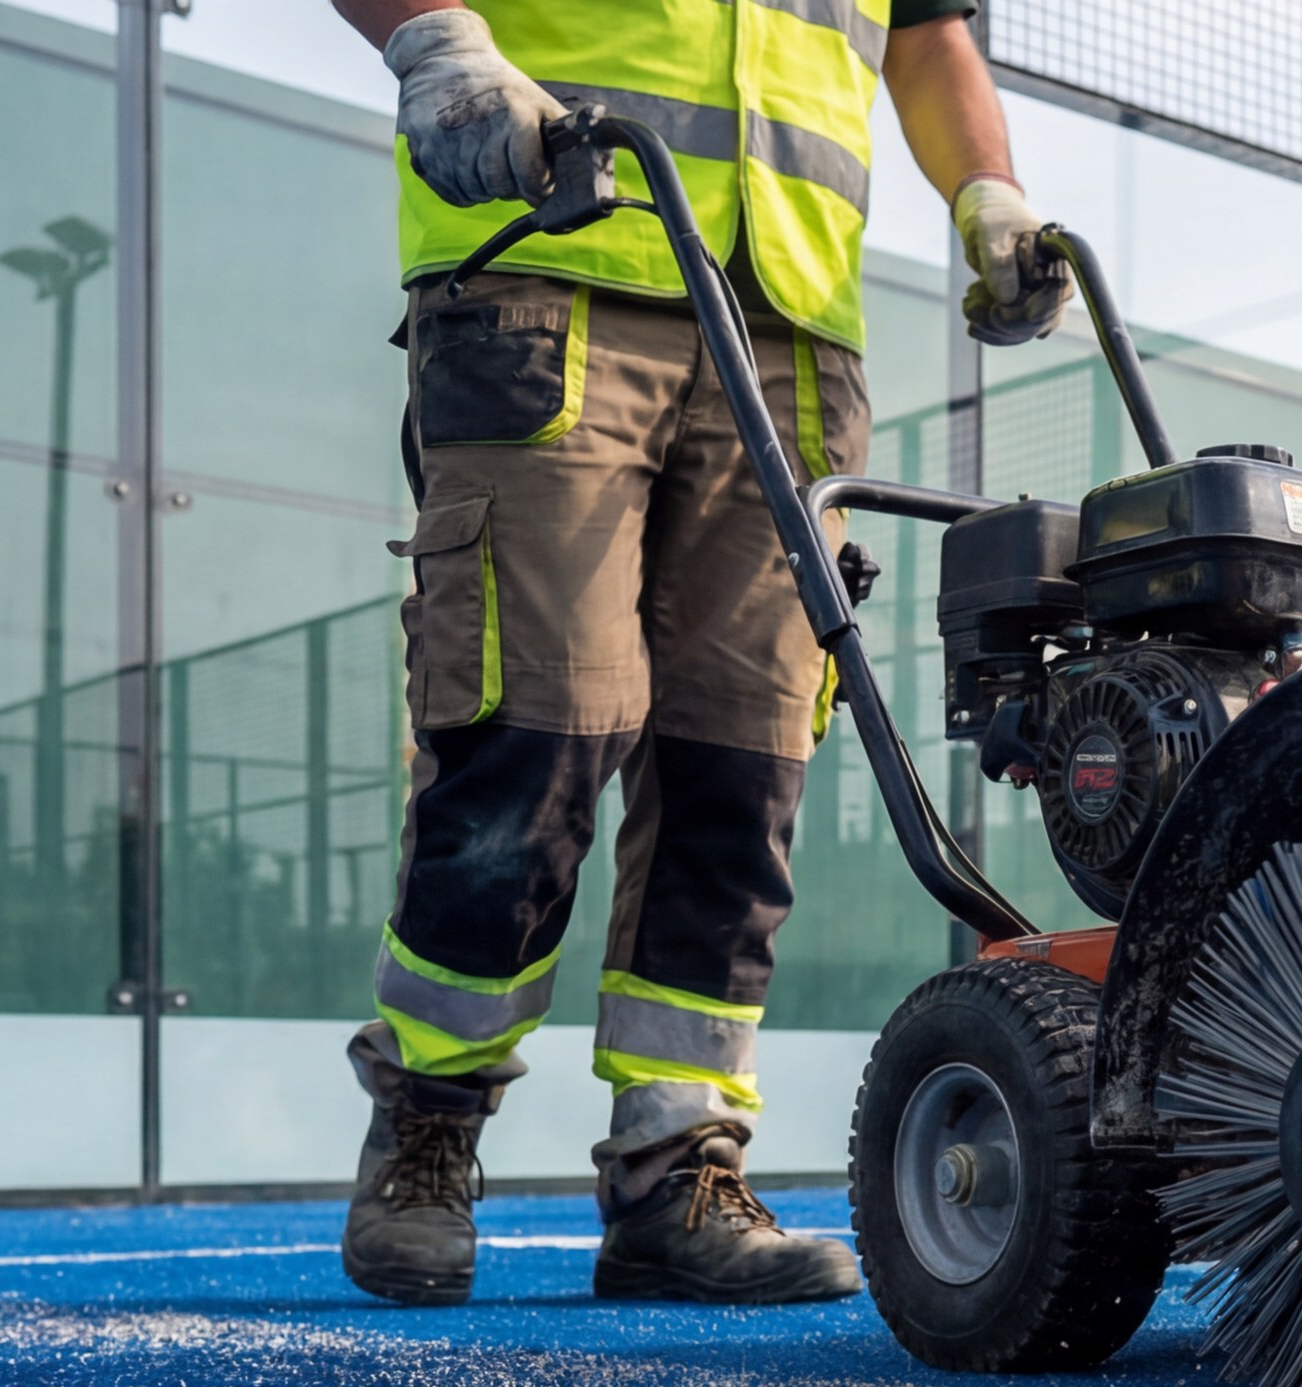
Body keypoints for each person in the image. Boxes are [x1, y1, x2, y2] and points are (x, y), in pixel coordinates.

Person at [327, 0, 1070, 1305]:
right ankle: (429, 1123)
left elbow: (927, 33)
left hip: (785, 319)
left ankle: (678, 1170)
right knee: (533, 725)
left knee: (745, 757)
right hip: (552, 252)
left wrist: (990, 194)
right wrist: (436, 45)